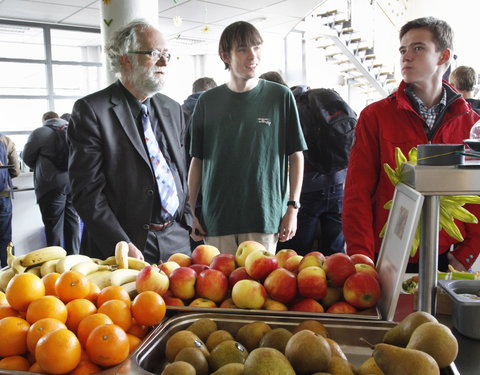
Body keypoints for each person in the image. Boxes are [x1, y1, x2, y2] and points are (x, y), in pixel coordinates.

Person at [343, 17, 480, 272]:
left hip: (445, 258)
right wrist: (360, 255)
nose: (406, 56)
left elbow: (475, 195)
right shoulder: (375, 116)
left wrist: (468, 253)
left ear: (443, 56)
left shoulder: (471, 124)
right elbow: (357, 191)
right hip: (383, 255)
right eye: (403, 50)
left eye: (418, 48)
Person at [67, 19, 192, 263]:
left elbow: (181, 170)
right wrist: (121, 244)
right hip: (124, 247)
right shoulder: (92, 111)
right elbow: (87, 194)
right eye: (155, 54)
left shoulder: (172, 108)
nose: (165, 62)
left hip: (177, 239)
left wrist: (186, 221)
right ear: (126, 58)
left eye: (167, 54)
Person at [188, 21, 307, 255]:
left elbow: (296, 156)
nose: (252, 56)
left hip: (264, 216)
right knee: (216, 290)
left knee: (259, 290)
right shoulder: (207, 102)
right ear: (225, 56)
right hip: (217, 219)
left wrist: (292, 208)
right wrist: (189, 212)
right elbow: (197, 161)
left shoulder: (279, 97)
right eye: (243, 49)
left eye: (257, 47)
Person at [22, 112, 80, 255]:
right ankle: (75, 260)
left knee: (53, 225)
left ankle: (55, 264)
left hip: (50, 185)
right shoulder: (73, 129)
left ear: (44, 120)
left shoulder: (39, 133)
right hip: (73, 183)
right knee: (73, 223)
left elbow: (27, 158)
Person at [0, 134, 20, 267]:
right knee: (5, 237)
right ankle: (7, 273)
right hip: (2, 195)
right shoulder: (5, 140)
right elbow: (15, 170)